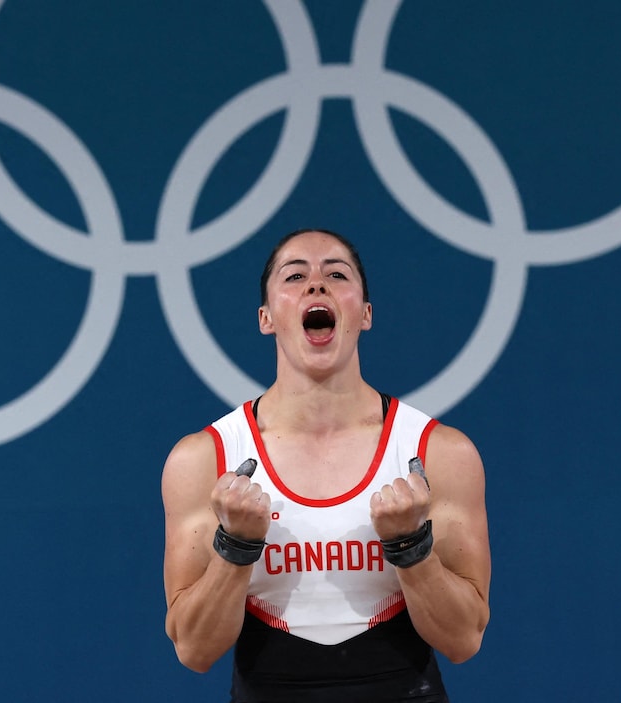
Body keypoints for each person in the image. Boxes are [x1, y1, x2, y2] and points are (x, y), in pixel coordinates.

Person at [161, 228, 491, 702]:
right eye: (295, 276)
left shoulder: (438, 453)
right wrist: (235, 546)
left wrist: (410, 547)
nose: (317, 285)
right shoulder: (203, 459)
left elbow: (464, 640)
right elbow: (194, 649)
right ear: (267, 318)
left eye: (337, 274)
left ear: (365, 313)